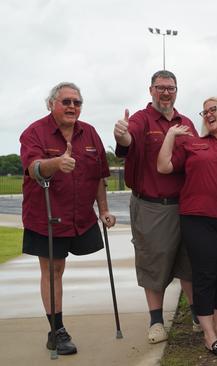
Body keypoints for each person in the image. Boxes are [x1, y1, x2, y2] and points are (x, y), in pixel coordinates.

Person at [20, 82, 116, 355]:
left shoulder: (91, 133)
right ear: (51, 104)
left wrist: (105, 210)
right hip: (46, 216)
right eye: (66, 102)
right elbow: (34, 167)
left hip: (81, 217)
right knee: (53, 271)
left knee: (61, 270)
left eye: (77, 102)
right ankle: (57, 331)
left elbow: (99, 175)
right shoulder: (35, 132)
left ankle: (57, 328)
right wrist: (56, 163)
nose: (72, 106)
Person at [157, 96, 217, 356]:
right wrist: (170, 136)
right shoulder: (193, 144)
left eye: (213, 110)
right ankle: (208, 334)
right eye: (204, 112)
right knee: (205, 274)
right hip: (197, 218)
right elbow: (164, 166)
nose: (208, 114)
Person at [113, 70, 196, 343]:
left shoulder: (186, 123)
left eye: (170, 88)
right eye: (160, 87)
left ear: (176, 90)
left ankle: (197, 315)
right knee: (153, 263)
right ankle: (156, 321)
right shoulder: (141, 119)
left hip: (185, 204)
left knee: (189, 263)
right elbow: (128, 141)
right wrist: (121, 134)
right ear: (151, 90)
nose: (165, 92)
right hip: (152, 206)